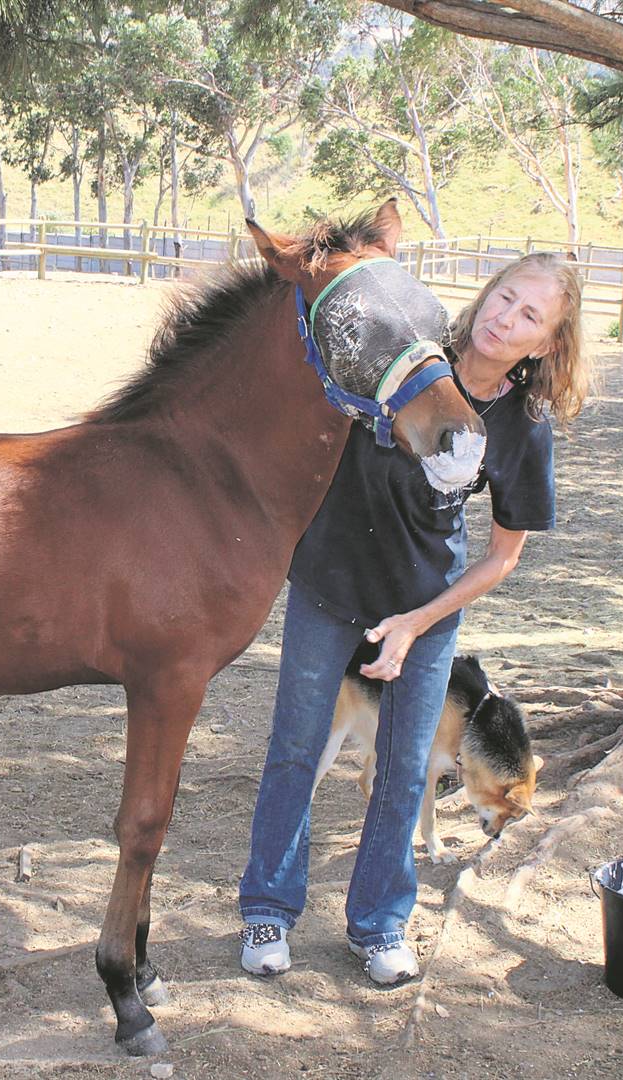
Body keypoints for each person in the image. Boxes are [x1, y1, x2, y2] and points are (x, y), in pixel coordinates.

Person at [237, 251, 591, 984]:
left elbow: (501, 558)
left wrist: (416, 622)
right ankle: (268, 908)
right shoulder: (405, 358)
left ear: (548, 342)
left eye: (530, 315)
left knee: (404, 770)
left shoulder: (523, 425)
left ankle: (378, 925)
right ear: (486, 294)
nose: (505, 319)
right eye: (505, 297)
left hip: (423, 608)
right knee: (295, 752)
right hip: (329, 584)